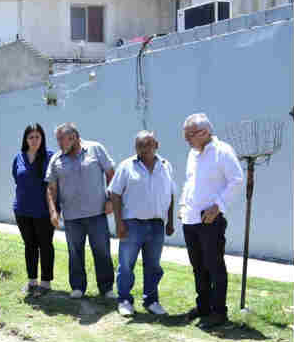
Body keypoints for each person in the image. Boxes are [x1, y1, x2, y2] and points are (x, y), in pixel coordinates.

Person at [178, 113, 243, 328]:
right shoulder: (192, 154)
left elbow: (236, 180)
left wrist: (218, 206)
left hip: (210, 220)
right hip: (190, 219)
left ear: (204, 132)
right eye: (185, 135)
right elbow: (189, 182)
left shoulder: (222, 151)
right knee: (198, 267)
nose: (186, 140)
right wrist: (182, 204)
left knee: (214, 267)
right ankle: (203, 307)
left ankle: (219, 312)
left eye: (189, 135)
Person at [108, 131, 176, 317]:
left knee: (153, 266)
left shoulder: (166, 166)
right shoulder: (126, 166)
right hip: (132, 224)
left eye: (148, 144)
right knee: (126, 265)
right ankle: (124, 300)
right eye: (140, 145)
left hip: (157, 225)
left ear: (156, 145)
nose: (144, 148)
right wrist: (119, 223)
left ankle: (151, 301)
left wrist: (170, 221)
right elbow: (115, 194)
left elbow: (170, 194)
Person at [45, 122, 116, 299]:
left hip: (97, 214)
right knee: (75, 253)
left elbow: (111, 174)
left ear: (74, 137)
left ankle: (106, 288)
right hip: (71, 217)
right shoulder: (56, 159)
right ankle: (77, 287)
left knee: (102, 251)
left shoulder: (95, 149)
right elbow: (51, 188)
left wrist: (110, 200)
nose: (59, 144)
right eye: (57, 140)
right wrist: (53, 211)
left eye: (61, 139)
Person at [11, 123, 54, 295]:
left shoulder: (49, 156)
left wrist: (54, 210)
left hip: (43, 211)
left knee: (45, 245)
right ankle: (32, 281)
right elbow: (17, 178)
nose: (34, 140)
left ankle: (45, 283)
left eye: (37, 137)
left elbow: (53, 183)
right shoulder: (19, 157)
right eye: (31, 137)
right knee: (30, 245)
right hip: (22, 210)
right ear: (25, 139)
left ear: (42, 138)